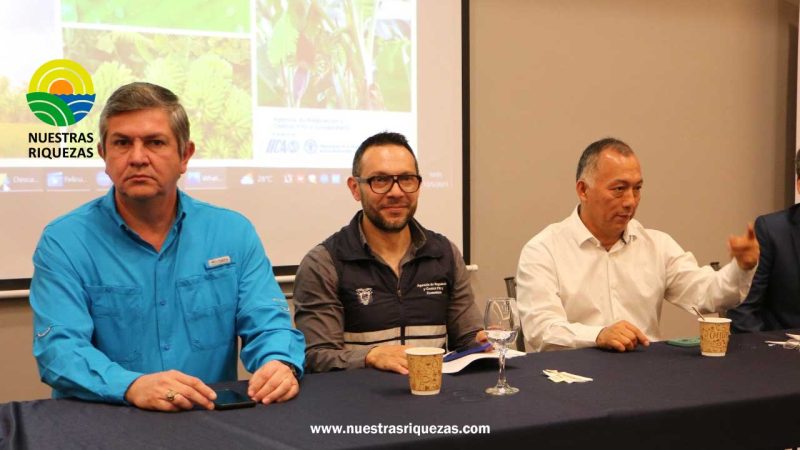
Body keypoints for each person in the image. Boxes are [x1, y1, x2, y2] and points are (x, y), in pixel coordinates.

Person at [30, 82, 304, 412]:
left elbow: (268, 323)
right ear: (103, 155)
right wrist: (130, 385)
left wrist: (278, 362)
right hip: (107, 419)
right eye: (122, 143)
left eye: (155, 142)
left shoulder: (233, 233)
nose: (137, 158)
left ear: (185, 155)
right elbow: (59, 351)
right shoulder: (64, 241)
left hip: (207, 419)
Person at [516, 137, 759, 352]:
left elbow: (708, 296)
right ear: (583, 190)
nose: (630, 201)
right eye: (619, 189)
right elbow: (541, 330)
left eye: (637, 189)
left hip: (645, 374)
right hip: (572, 377)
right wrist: (598, 335)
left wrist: (742, 267)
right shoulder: (544, 250)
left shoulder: (657, 246)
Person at [293, 132, 485, 374]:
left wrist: (482, 341)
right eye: (381, 180)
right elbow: (316, 356)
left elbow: (467, 338)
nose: (396, 192)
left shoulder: (444, 254)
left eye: (406, 179)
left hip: (433, 391)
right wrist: (370, 356)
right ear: (355, 188)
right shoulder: (324, 262)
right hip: (358, 395)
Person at [727, 150, 800, 333]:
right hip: (784, 347)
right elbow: (743, 311)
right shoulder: (773, 231)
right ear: (799, 186)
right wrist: (768, 347)